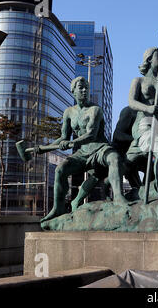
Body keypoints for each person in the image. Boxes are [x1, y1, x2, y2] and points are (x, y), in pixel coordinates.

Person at [41, 76, 128, 222]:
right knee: (60, 170)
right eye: (80, 88)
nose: (84, 90)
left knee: (114, 158)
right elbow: (64, 137)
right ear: (73, 91)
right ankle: (58, 209)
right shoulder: (68, 112)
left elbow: (91, 134)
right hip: (82, 153)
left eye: (86, 88)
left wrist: (72, 142)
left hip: (100, 149)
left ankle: (119, 197)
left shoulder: (95, 110)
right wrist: (45, 148)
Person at [126, 47, 158, 200]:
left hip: (156, 127)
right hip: (142, 125)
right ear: (149, 59)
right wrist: (147, 107)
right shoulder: (138, 81)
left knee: (128, 162)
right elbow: (131, 102)